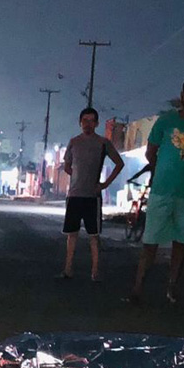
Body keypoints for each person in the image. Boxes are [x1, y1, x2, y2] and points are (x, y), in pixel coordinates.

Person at [128, 76, 184, 304]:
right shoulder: (165, 122)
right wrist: (163, 171)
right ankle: (137, 287)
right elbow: (151, 152)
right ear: (182, 93)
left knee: (181, 242)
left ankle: (172, 288)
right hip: (161, 191)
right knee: (151, 241)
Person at [58, 107, 124, 281]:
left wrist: (105, 184)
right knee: (71, 234)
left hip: (92, 197)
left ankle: (95, 271)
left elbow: (119, 163)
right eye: (85, 121)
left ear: (97, 123)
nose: (88, 124)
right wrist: (78, 178)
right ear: (80, 122)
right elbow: (66, 165)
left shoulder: (103, 143)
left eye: (91, 121)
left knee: (93, 236)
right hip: (74, 195)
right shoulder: (73, 142)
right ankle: (68, 269)